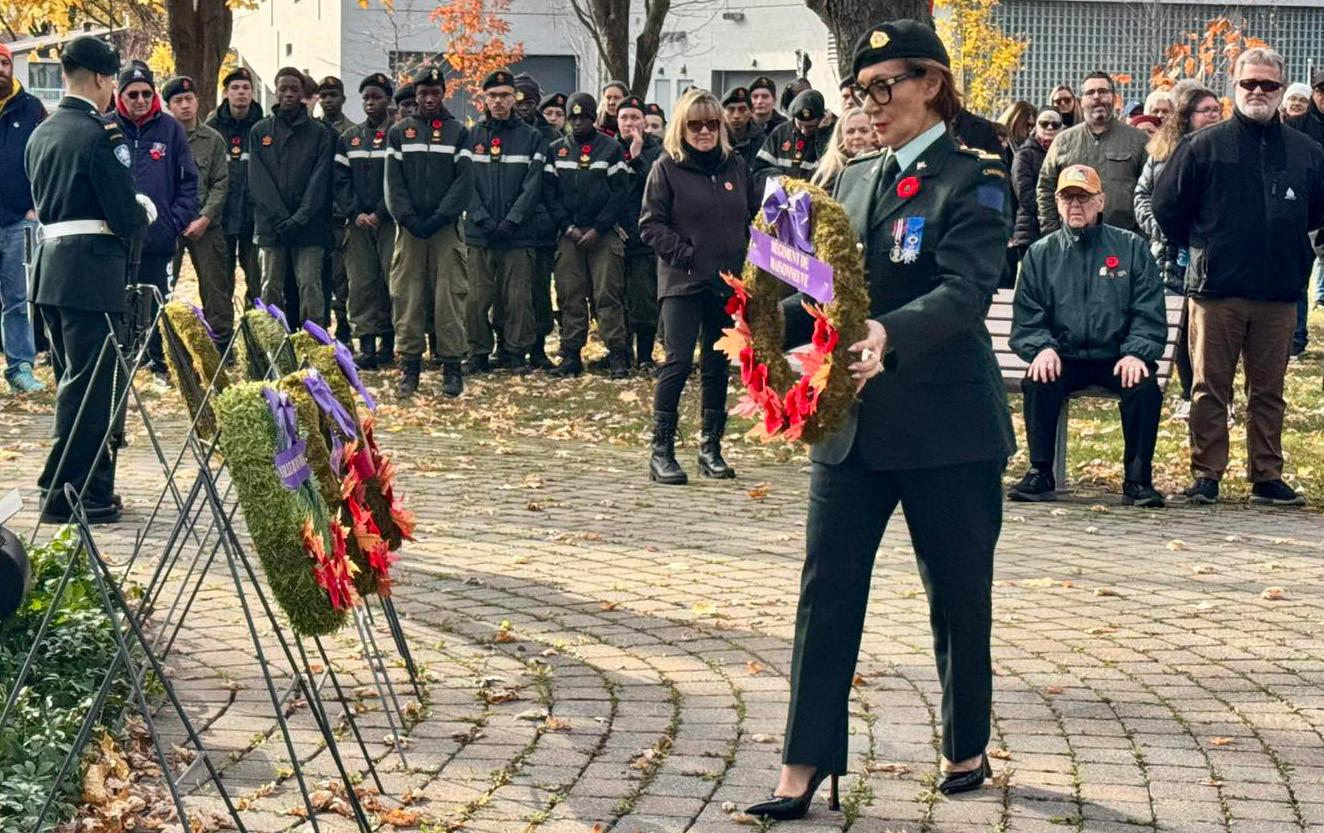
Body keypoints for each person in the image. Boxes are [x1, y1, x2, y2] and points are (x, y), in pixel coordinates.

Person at [744, 21, 1014, 821]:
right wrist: (763, 311)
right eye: (861, 91)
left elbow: (966, 291)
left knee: (957, 592)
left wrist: (888, 334)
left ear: (931, 83)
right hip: (850, 424)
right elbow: (819, 289)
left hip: (945, 425)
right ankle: (803, 761)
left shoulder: (975, 178)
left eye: (886, 85)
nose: (872, 103)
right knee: (824, 592)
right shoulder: (852, 179)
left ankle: (965, 742)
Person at [1154, 47, 1324, 507]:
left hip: (1279, 292)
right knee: (1209, 387)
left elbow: (1317, 212)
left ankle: (1266, 475)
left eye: (1269, 84)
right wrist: (1205, 243)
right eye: (1250, 83)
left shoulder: (1307, 152)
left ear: (1281, 88)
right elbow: (1168, 206)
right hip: (1217, 291)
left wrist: (1291, 250)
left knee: (1269, 391)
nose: (1258, 91)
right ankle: (1206, 475)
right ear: (1235, 85)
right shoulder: (1202, 146)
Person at [26, 36, 149, 524]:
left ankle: (93, 488)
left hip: (51, 268)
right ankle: (63, 493)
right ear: (102, 79)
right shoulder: (101, 135)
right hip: (91, 271)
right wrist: (141, 213)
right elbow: (122, 213)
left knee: (74, 383)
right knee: (93, 389)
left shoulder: (42, 132)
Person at [1008, 164, 1166, 506]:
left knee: (1143, 386)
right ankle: (1040, 471)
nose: (1075, 205)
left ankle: (1138, 479)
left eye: (1083, 197)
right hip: (1063, 355)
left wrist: (1136, 352)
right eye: (1067, 198)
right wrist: (1041, 348)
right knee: (1038, 378)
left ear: (1101, 201)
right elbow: (1028, 316)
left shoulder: (1131, 248)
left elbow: (1148, 311)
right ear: (1057, 202)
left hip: (1117, 356)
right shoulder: (1041, 253)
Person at [639, 88, 753, 484]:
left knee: (717, 364)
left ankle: (711, 447)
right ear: (681, 127)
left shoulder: (736, 166)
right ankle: (662, 451)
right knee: (678, 360)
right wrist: (686, 254)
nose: (704, 131)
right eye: (695, 124)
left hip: (725, 281)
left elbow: (752, 216)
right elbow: (650, 224)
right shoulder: (666, 168)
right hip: (683, 281)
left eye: (711, 124)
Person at [1133, 85, 1221, 420]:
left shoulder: (1225, 150)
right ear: (1187, 116)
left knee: (1209, 331)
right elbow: (1142, 196)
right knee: (1179, 327)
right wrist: (1162, 228)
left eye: (1216, 110)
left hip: (1210, 254)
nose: (1213, 115)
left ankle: (1217, 396)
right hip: (1169, 255)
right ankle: (1186, 392)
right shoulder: (1162, 152)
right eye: (1206, 110)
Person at [384, 64, 472, 398]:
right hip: (410, 230)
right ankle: (409, 367)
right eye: (423, 93)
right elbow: (393, 182)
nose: (429, 99)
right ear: (416, 95)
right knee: (407, 296)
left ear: (443, 94)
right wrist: (407, 217)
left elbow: (464, 182)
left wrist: (440, 217)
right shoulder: (399, 132)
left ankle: (451, 367)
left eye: (435, 93)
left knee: (449, 296)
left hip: (445, 229)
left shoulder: (458, 132)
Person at [113, 63, 199, 376]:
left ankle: (159, 360)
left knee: (156, 301)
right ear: (120, 96)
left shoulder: (170, 130)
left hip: (158, 237)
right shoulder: (106, 127)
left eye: (146, 94)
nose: (140, 100)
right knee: (117, 300)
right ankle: (120, 358)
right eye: (133, 94)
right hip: (116, 239)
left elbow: (189, 182)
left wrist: (174, 221)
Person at [463, 68, 544, 376]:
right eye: (493, 96)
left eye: (505, 96)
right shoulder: (471, 136)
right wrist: (482, 218)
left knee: (518, 297)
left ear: (514, 98)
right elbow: (465, 182)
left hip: (518, 233)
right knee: (476, 297)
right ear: (484, 99)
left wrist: (512, 220)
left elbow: (533, 186)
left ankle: (516, 353)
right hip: (479, 233)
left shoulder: (531, 137)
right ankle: (478, 352)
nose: (499, 101)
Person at [544, 92, 630, 377]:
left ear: (594, 118)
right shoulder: (556, 150)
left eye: (585, 117)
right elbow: (549, 194)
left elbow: (620, 193)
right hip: (568, 234)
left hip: (603, 235)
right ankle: (571, 354)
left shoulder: (611, 148)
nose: (579, 122)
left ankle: (617, 354)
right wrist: (567, 227)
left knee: (608, 295)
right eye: (574, 117)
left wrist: (599, 228)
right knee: (570, 295)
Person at [248, 66, 335, 328]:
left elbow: (321, 179)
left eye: (294, 89)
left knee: (310, 285)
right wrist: (280, 216)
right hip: (271, 225)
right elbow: (258, 180)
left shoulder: (320, 133)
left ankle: (314, 340)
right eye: (283, 89)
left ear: (302, 94)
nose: (288, 94)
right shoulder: (260, 131)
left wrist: (300, 217)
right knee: (270, 285)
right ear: (275, 92)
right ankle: (271, 340)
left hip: (309, 225)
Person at [164, 76, 232, 351]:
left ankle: (222, 343)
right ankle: (159, 344)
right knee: (163, 284)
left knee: (215, 286)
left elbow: (221, 182)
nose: (184, 105)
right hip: (169, 224)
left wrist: (205, 217)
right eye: (178, 101)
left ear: (197, 101)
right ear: (169, 106)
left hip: (205, 223)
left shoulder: (213, 140)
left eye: (188, 99)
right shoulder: (161, 137)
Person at [334, 73, 396, 370]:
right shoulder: (350, 138)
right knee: (361, 283)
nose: (371, 103)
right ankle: (367, 344)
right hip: (358, 224)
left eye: (377, 97)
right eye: (366, 98)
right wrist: (355, 212)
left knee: (391, 282)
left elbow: (400, 181)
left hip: (389, 221)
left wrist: (380, 213)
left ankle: (389, 343)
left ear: (388, 100)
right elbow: (340, 180)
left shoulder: (398, 134)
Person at [1036, 71, 1147, 234]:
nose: (1096, 97)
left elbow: (1149, 192)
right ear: (1081, 101)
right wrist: (1053, 233)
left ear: (1114, 98)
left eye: (1103, 91)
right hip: (1073, 239)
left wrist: (1140, 237)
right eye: (1090, 92)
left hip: (1123, 239)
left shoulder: (1138, 140)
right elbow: (1045, 189)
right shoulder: (1063, 141)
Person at [0, 40, 47, 393]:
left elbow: (45, 160)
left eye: (2, 64)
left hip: (20, 220)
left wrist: (37, 204)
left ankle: (20, 367)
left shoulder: (32, 109)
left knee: (18, 299)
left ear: (11, 66)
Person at [206, 67, 263, 315]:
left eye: (246, 88)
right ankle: (222, 329)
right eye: (235, 88)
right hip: (221, 215)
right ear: (226, 93)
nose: (241, 93)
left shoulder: (263, 127)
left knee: (257, 277)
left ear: (252, 93)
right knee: (220, 279)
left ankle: (255, 324)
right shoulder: (212, 128)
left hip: (254, 217)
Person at [616, 95, 664, 370]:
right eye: (624, 118)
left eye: (635, 118)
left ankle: (644, 355)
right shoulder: (608, 149)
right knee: (616, 297)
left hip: (645, 238)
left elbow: (655, 188)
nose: (629, 123)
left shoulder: (657, 152)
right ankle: (620, 353)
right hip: (616, 233)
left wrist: (636, 158)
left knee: (644, 299)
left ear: (644, 123)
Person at [517, 78, 563, 369]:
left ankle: (538, 347)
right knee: (511, 291)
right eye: (519, 102)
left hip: (542, 224)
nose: (524, 108)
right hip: (512, 223)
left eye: (530, 103)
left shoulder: (552, 136)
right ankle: (509, 345)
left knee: (539, 289)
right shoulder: (507, 132)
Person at [1008, 107, 1061, 275]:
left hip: (1060, 226)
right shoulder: (1024, 154)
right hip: (1029, 228)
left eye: (1055, 124)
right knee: (1031, 278)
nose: (1049, 128)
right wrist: (1050, 210)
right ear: (1036, 126)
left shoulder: (1065, 152)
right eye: (1044, 123)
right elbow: (1024, 193)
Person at [752, 89, 832, 184]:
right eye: (800, 125)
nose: (804, 131)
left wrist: (822, 135)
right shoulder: (780, 132)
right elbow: (760, 168)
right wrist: (778, 178)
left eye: (811, 126)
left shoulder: (830, 135)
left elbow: (830, 170)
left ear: (822, 119)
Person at [809, 105, 873, 191]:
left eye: (864, 131)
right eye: (850, 132)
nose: (857, 136)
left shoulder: (883, 168)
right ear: (841, 137)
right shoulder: (827, 176)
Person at [722, 86, 765, 168]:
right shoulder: (716, 138)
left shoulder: (762, 139)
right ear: (722, 112)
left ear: (752, 111)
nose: (736, 116)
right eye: (731, 110)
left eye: (742, 110)